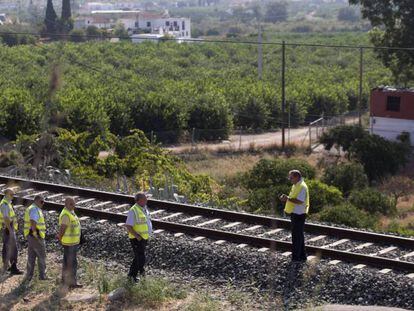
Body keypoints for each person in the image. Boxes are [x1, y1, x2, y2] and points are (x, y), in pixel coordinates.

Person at [280, 170, 309, 262]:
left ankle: (296, 258)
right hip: (295, 213)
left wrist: (287, 198)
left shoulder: (302, 187)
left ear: (296, 177)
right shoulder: (296, 185)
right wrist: (287, 198)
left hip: (299, 214)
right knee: (298, 235)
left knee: (296, 236)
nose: (290, 179)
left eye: (291, 177)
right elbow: (293, 198)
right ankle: (302, 256)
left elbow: (300, 201)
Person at [125, 192, 152, 282]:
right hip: (136, 239)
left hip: (143, 238)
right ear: (139, 200)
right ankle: (142, 276)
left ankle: (131, 276)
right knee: (141, 258)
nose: (146, 200)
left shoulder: (144, 209)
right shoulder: (133, 210)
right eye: (145, 199)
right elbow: (128, 226)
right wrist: (137, 236)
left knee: (137, 257)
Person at [56, 197, 82, 288]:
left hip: (72, 242)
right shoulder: (66, 214)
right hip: (69, 243)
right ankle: (71, 282)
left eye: (74, 204)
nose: (73, 206)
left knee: (67, 262)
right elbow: (63, 228)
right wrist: (60, 237)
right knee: (72, 263)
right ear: (66, 204)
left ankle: (65, 281)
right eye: (71, 204)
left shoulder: (71, 212)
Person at [23, 195, 48, 281]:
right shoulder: (34, 209)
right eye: (41, 201)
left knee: (31, 256)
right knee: (41, 256)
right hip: (35, 236)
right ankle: (43, 276)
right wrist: (35, 234)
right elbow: (33, 222)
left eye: (43, 202)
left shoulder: (33, 208)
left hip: (31, 236)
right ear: (36, 201)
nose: (43, 203)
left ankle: (29, 276)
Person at [0, 188, 23, 275]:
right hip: (8, 228)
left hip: (8, 228)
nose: (13, 197)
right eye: (11, 194)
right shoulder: (5, 205)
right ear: (6, 194)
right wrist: (10, 230)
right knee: (13, 248)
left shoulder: (7, 203)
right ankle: (12, 268)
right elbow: (6, 218)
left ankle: (7, 267)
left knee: (7, 247)